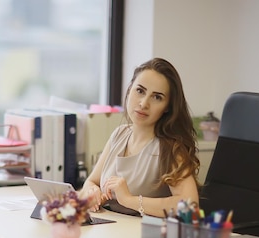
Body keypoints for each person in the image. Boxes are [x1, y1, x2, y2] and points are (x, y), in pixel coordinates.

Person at [80, 57, 200, 218]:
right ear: (129, 91)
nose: (144, 103)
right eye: (140, 91)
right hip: (108, 231)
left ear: (167, 107)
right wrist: (92, 192)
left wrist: (129, 200)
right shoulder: (119, 134)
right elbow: (91, 181)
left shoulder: (169, 148)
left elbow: (190, 206)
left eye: (157, 97)